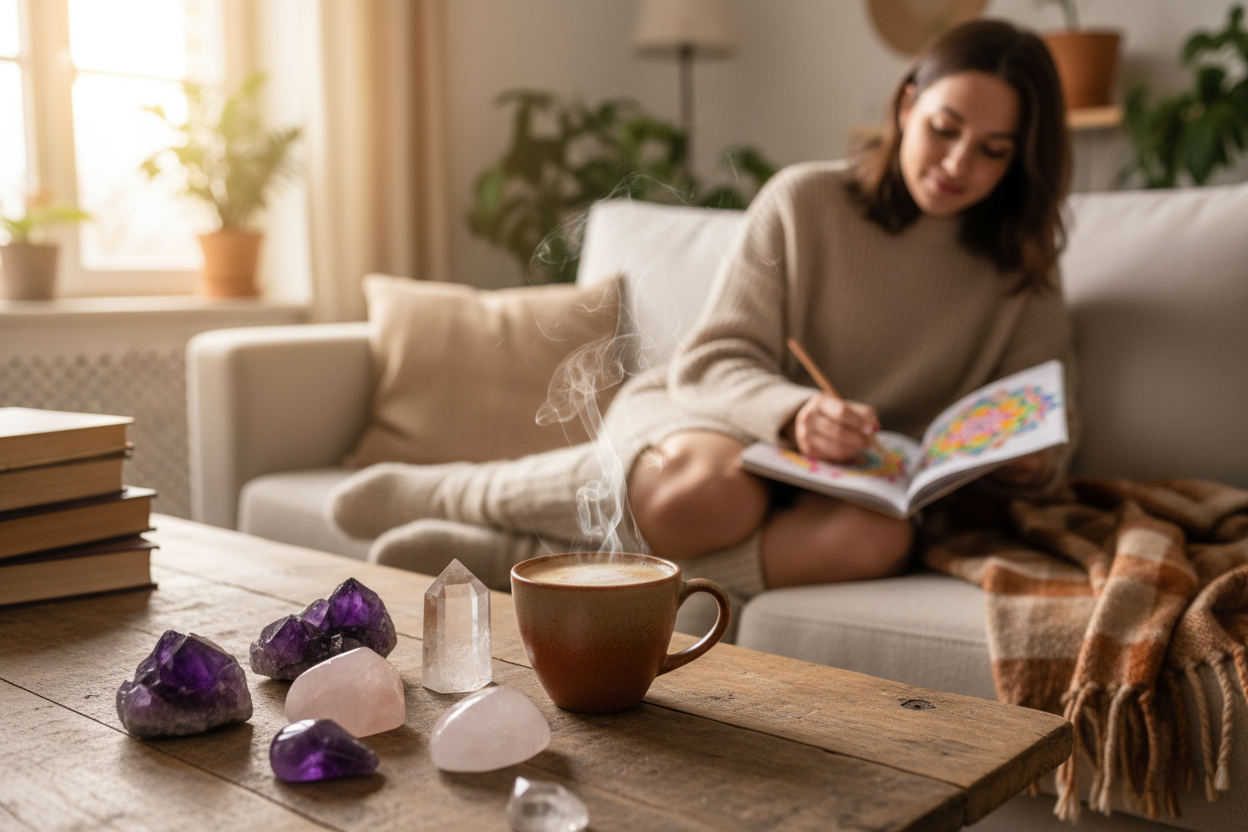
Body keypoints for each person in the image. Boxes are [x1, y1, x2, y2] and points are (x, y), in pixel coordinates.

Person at [329, 18, 1079, 601]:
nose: (956, 165)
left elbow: (1040, 420)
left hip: (850, 481)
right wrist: (795, 416)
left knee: (878, 544)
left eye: (993, 150)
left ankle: (544, 562)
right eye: (945, 129)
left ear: (1022, 159)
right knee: (715, 493)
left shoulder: (1024, 270)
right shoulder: (807, 200)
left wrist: (1027, 463)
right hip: (712, 423)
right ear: (909, 103)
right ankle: (461, 490)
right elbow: (713, 362)